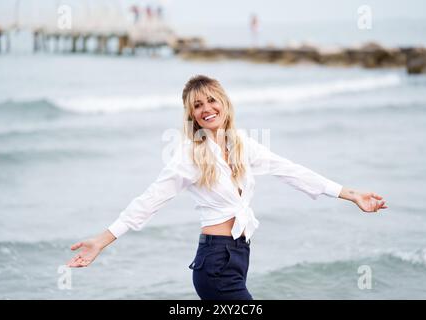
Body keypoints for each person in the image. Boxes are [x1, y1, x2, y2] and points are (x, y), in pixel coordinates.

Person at [66, 75, 388, 300]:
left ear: (223, 101)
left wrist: (350, 194)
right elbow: (149, 201)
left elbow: (290, 171)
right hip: (215, 263)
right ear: (191, 115)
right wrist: (101, 241)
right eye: (197, 105)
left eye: (211, 100)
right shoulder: (189, 155)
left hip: (239, 256)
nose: (206, 108)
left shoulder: (242, 145)